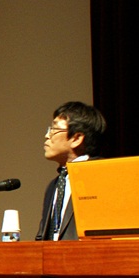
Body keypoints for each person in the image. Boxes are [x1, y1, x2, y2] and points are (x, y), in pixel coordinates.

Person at [35, 101, 106, 241]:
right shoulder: (53, 185)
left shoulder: (101, 176)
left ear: (76, 138)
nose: (47, 135)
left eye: (54, 130)